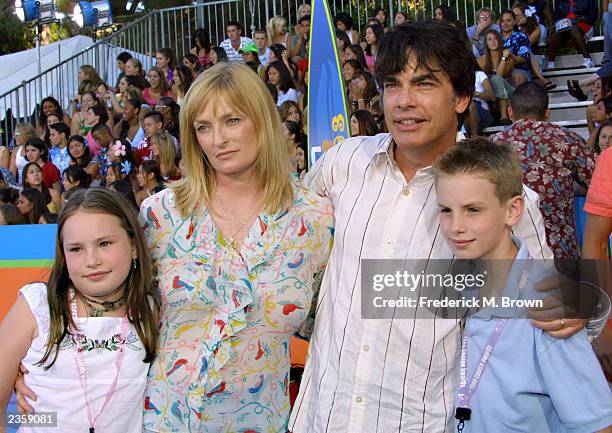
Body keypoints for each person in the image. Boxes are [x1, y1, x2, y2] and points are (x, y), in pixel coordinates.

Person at [289, 22, 591, 433]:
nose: (403, 101)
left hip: (422, 423)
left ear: (462, 97)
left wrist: (574, 307)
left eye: (424, 83)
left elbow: (550, 308)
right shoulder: (343, 164)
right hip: (322, 418)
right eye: (393, 85)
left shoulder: (504, 199)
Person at [138, 62, 333, 432]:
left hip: (262, 421)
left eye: (231, 120)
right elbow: (116, 310)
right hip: (166, 420)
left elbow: (332, 326)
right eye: (203, 127)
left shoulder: (315, 218)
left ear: (261, 120)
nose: (217, 140)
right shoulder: (161, 214)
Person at [433, 137, 612, 433]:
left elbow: (597, 424)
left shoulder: (550, 308)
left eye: (473, 210)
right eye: (446, 210)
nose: (456, 226)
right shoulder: (462, 287)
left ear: (513, 211)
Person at [0, 188, 158, 432]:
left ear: (134, 246)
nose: (91, 260)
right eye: (76, 249)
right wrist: (39, 417)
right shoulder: (37, 306)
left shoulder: (150, 311)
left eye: (104, 243)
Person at [492, 82, 595, 259]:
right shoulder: (567, 139)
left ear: (510, 111)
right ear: (547, 113)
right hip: (560, 252)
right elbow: (600, 181)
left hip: (509, 254)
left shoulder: (492, 145)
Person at [546, 0, 598, 70]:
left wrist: (583, 18)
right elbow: (555, 18)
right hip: (565, 26)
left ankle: (588, 60)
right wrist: (562, 21)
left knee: (573, 28)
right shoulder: (559, 1)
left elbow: (593, 16)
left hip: (583, 24)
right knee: (557, 32)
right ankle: (551, 62)